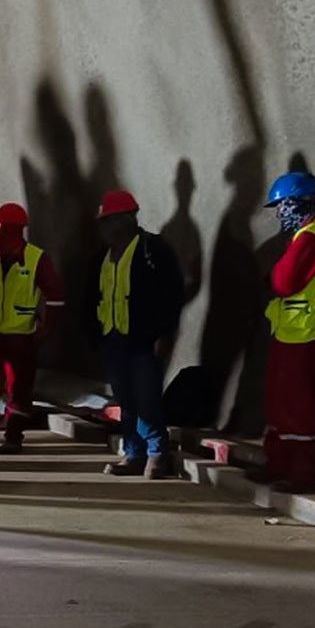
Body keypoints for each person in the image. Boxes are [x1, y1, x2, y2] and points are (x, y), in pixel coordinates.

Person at [260, 171, 315, 493]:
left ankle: (302, 473)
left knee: (295, 404)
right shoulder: (309, 235)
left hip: (307, 332)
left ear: (298, 203)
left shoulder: (311, 237)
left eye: (281, 205)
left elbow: (284, 282)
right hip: (298, 331)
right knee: (279, 399)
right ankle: (278, 464)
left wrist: (273, 273)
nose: (279, 213)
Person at [0, 203, 66, 453]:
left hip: (22, 335)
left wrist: (45, 328)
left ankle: (13, 436)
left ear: (13, 229)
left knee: (19, 388)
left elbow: (56, 296)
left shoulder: (36, 258)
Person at [93, 189, 184, 479]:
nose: (105, 228)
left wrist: (165, 333)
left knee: (147, 398)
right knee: (126, 400)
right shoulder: (104, 256)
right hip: (113, 338)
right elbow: (92, 296)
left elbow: (172, 293)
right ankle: (134, 453)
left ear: (126, 219)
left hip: (144, 340)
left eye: (109, 221)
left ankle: (158, 453)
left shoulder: (153, 250)